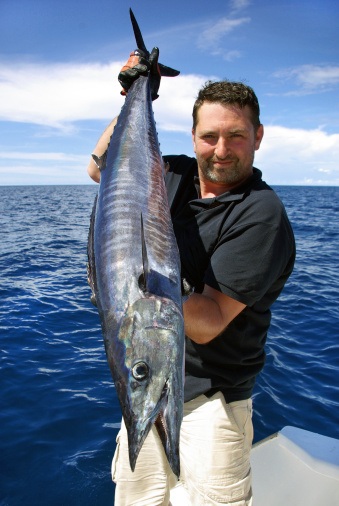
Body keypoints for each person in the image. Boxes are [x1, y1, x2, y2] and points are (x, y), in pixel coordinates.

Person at [87, 50, 295, 506]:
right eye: (210, 136)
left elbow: (209, 319)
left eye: (236, 136)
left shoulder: (261, 214)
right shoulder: (173, 173)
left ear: (258, 137)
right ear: (194, 137)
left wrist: (142, 296)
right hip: (145, 390)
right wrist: (133, 94)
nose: (221, 150)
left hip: (211, 409)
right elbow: (99, 167)